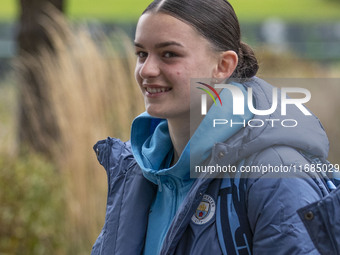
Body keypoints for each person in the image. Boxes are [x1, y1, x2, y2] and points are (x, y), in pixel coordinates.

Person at [91, 0, 332, 254]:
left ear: (223, 66)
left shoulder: (276, 174)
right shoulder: (137, 169)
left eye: (169, 54)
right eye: (141, 53)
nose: (147, 70)